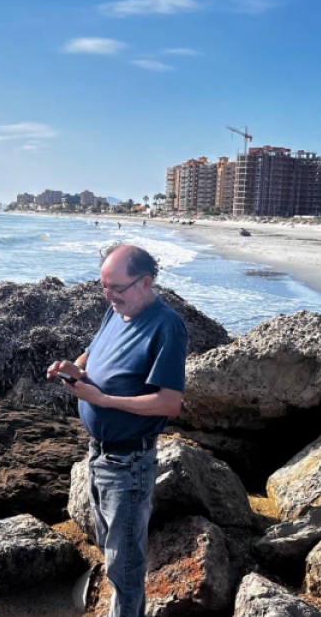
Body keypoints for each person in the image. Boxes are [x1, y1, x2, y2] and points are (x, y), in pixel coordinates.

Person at [47, 244, 187, 617]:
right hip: (98, 453)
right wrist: (74, 370)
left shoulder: (166, 326)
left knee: (124, 567)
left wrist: (104, 400)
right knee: (111, 552)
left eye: (116, 288)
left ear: (145, 282)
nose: (108, 296)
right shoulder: (116, 311)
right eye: (103, 286)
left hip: (129, 462)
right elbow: (92, 356)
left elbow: (169, 402)